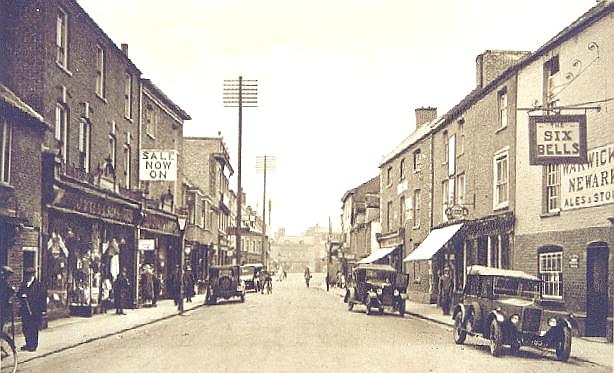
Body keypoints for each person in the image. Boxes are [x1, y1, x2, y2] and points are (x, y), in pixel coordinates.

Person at [17, 267, 46, 352]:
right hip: (25, 310)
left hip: (35, 311)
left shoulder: (38, 285)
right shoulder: (24, 284)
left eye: (29, 274)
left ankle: (33, 345)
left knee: (33, 328)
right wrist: (22, 296)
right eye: (26, 275)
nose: (27, 276)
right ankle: (28, 343)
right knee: (25, 328)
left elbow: (41, 297)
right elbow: (18, 294)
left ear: (33, 275)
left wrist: (42, 310)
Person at [0, 265, 15, 333]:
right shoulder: (3, 283)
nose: (9, 277)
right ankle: (9, 341)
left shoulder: (4, 282)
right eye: (8, 275)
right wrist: (12, 290)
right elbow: (6, 293)